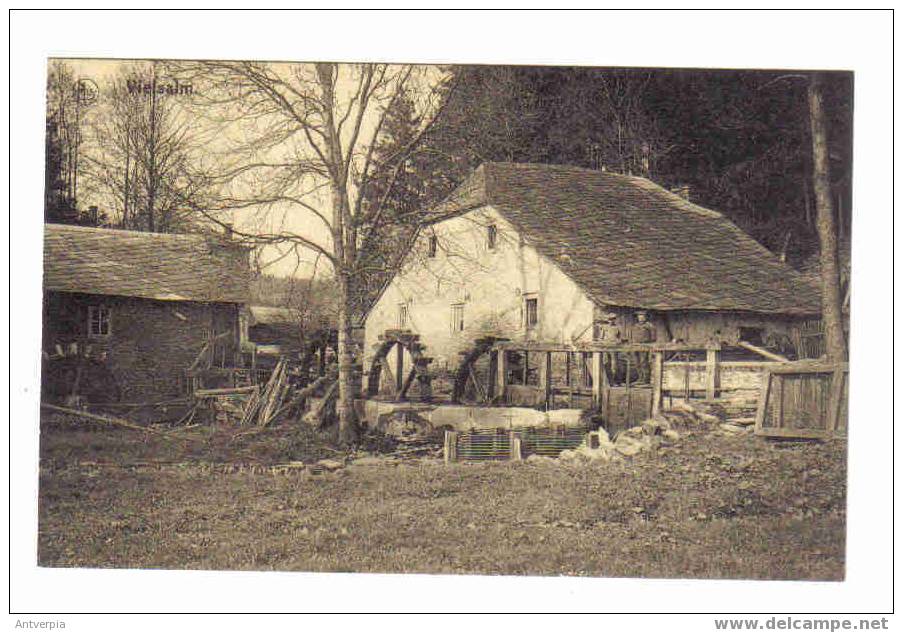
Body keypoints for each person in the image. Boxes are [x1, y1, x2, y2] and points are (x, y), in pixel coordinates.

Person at [630, 310, 657, 384]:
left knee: (644, 362)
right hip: (635, 346)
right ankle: (640, 378)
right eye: (639, 316)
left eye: (642, 316)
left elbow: (653, 337)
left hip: (644, 346)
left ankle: (646, 379)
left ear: (645, 317)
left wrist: (648, 344)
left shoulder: (649, 326)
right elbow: (632, 336)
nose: (641, 318)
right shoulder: (635, 326)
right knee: (636, 362)